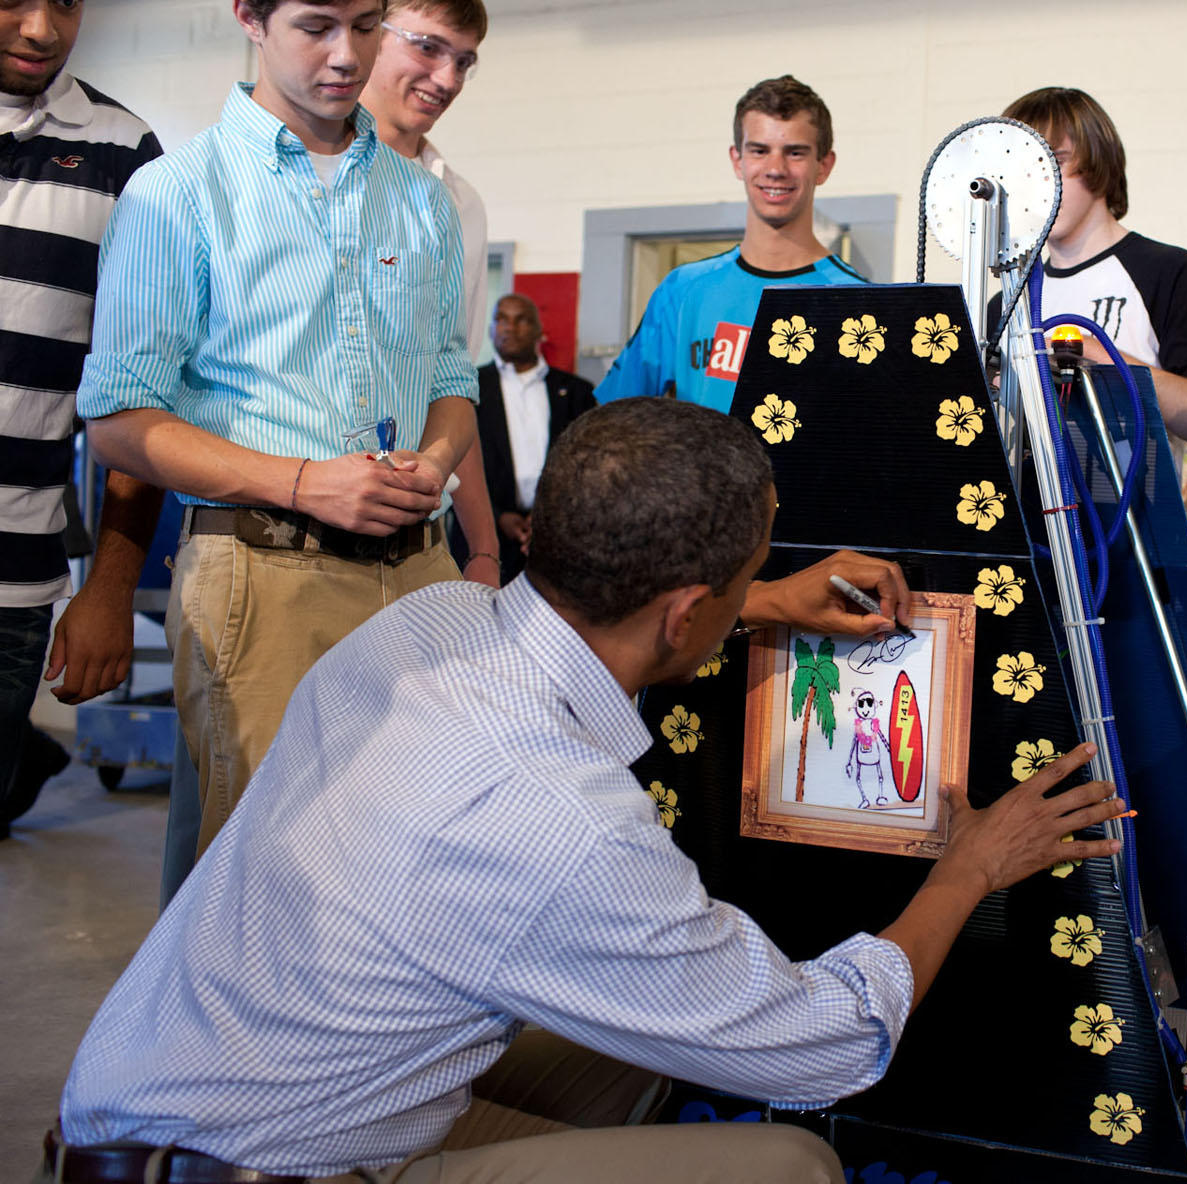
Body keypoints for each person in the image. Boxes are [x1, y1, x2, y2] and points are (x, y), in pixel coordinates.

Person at [53, 398, 1127, 1184]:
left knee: (628, 1060)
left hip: (142, 1105)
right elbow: (827, 1045)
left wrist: (753, 605)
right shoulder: (565, 822)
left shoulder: (424, 626)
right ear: (681, 610)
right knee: (792, 1163)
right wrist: (972, 862)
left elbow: (599, 630)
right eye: (747, 571)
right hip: (281, 1164)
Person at [76, 0, 477, 858]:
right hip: (263, 575)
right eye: (316, 26)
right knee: (267, 881)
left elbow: (451, 378)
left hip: (420, 571)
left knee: (418, 862)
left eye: (367, 23)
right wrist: (303, 481)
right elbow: (120, 421)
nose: (347, 55)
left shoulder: (422, 199)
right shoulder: (179, 194)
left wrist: (436, 456)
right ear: (248, 15)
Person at [0, 0, 164, 836]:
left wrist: (107, 589)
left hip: (14, 590)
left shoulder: (127, 160)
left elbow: (141, 394)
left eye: (68, 0)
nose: (42, 28)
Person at [993, 86, 1187, 457]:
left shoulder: (1168, 272)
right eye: (1022, 170)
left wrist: (1096, 354)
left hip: (1132, 511)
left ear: (1098, 162)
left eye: (1054, 162)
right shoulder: (1008, 300)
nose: (1037, 185)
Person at [360, 0, 503, 589]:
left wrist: (483, 548)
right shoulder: (291, 175)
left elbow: (455, 385)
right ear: (369, 31)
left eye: (464, 61)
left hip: (418, 536)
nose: (447, 78)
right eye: (426, 47)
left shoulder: (459, 202)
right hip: (292, 525)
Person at [596, 74, 864, 414]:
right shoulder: (683, 291)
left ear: (824, 166)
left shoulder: (854, 300)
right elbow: (612, 418)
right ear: (738, 160)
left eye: (795, 152)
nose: (775, 169)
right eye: (760, 151)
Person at [474, 292, 596, 581]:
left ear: (539, 331)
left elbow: (588, 463)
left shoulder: (576, 391)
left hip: (558, 537)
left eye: (521, 320)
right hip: (485, 539)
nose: (508, 328)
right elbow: (459, 466)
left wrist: (549, 514)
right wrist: (496, 515)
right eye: (500, 319)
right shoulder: (470, 388)